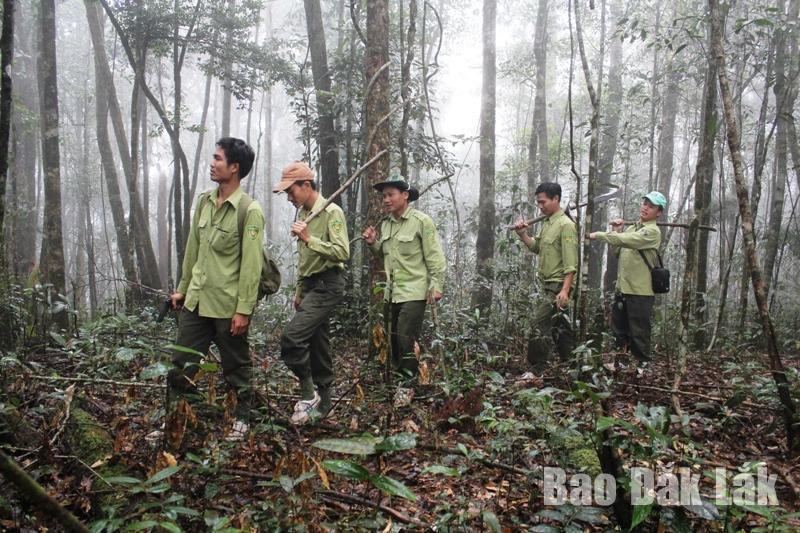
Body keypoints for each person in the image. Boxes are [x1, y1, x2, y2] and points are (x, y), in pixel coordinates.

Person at [167, 137, 264, 441]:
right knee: (181, 364)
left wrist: (244, 310)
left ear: (234, 167)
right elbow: (193, 250)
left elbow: (251, 266)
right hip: (196, 301)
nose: (212, 164)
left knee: (236, 368)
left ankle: (241, 419)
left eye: (218, 159)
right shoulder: (204, 202)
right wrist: (182, 289)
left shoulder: (249, 211)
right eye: (213, 158)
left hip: (227, 307)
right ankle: (175, 422)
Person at [273, 162, 350, 425]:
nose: (289, 197)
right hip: (310, 286)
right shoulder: (304, 214)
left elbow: (342, 252)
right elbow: (304, 259)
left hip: (329, 284)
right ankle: (325, 405)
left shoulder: (331, 212)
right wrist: (300, 290)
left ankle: (309, 395)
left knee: (292, 339)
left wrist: (309, 238)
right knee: (319, 343)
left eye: (291, 191)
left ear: (306, 185)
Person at [362, 175, 445, 405]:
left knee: (405, 336)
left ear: (405, 195)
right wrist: (373, 244)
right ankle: (400, 379)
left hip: (415, 291)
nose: (386, 200)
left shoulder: (421, 221)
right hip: (392, 292)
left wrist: (436, 286)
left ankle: (407, 386)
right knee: (392, 339)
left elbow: (435, 256)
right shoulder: (386, 224)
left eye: (391, 195)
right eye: (384, 196)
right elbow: (385, 256)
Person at [588, 191, 667, 362]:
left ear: (658, 212)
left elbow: (627, 240)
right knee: (619, 331)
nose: (645, 208)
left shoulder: (652, 231)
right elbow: (618, 251)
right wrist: (616, 231)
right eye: (645, 204)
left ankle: (641, 368)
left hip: (640, 292)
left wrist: (600, 235)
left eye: (651, 206)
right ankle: (621, 364)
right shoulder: (632, 229)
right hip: (622, 289)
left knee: (639, 333)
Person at [511, 182, 578, 369]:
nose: (540, 206)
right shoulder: (548, 223)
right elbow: (536, 247)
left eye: (543, 202)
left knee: (538, 324)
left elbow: (571, 264)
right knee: (561, 327)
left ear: (556, 198)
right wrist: (523, 234)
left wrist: (565, 290)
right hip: (548, 284)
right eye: (538, 202)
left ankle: (537, 368)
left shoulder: (566, 225)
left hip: (558, 285)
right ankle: (572, 365)